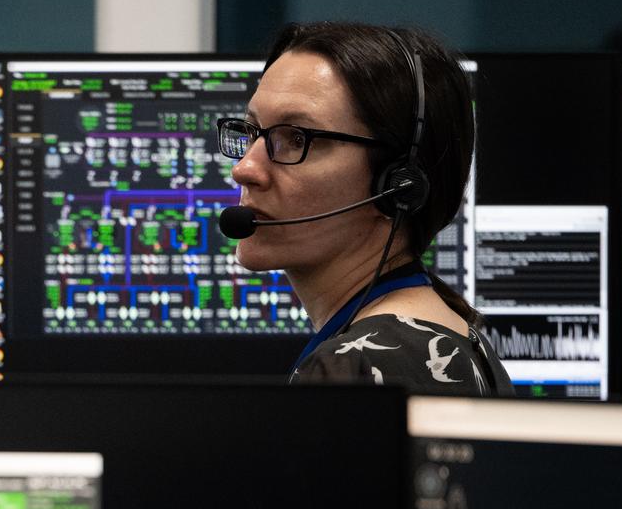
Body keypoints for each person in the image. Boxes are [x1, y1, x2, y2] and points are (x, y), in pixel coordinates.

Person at [218, 21, 514, 396]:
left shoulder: (353, 368)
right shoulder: (460, 337)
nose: (244, 168)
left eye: (295, 138)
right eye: (251, 130)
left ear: (397, 184)